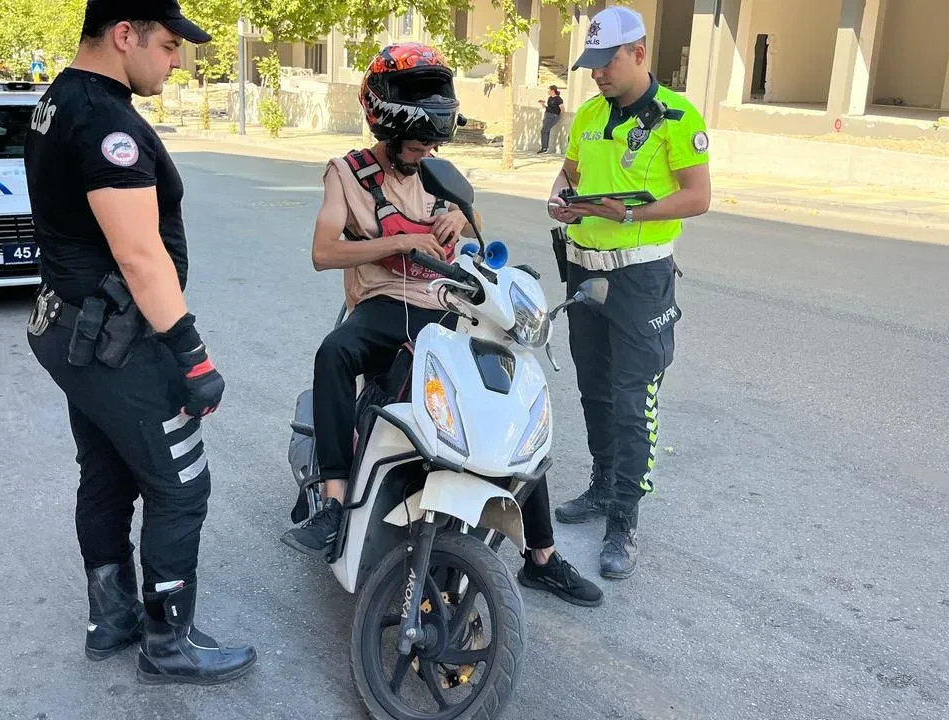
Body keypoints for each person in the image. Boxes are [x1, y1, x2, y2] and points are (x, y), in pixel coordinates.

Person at [281, 42, 603, 608]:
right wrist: (400, 241)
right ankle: (334, 502)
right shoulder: (346, 174)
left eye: (432, 144)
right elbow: (323, 252)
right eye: (416, 145)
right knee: (334, 352)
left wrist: (461, 219)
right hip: (384, 305)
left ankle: (542, 556)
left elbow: (474, 232)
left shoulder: (437, 173)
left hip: (446, 304)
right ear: (386, 128)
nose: (426, 153)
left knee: (507, 401)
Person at [23, 0, 257, 686]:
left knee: (107, 471)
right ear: (125, 35)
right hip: (115, 342)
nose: (177, 60)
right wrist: (194, 355)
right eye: (169, 44)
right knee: (181, 483)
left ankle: (113, 619)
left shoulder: (60, 99)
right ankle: (168, 641)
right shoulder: (106, 122)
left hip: (74, 331)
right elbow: (139, 253)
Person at [546, 6, 712, 580]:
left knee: (632, 396)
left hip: (639, 277)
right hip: (583, 271)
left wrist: (632, 212)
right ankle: (601, 484)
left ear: (638, 53)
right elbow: (569, 173)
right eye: (590, 64)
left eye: (606, 62)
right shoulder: (591, 113)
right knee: (593, 387)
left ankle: (624, 516)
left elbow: (697, 196)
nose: (597, 74)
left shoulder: (676, 116)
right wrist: (558, 197)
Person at [537, 85, 564, 153]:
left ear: (552, 91)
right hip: (547, 115)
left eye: (549, 90)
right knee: (546, 131)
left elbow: (562, 108)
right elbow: (548, 108)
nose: (548, 91)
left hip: (553, 116)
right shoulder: (550, 98)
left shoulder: (558, 99)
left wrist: (559, 116)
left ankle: (544, 147)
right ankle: (545, 147)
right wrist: (542, 104)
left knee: (544, 130)